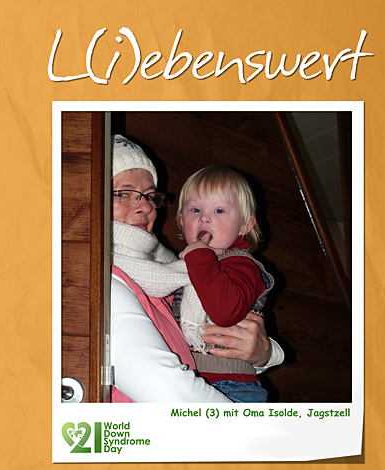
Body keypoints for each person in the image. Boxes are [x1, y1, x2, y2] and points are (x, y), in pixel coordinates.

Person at [110, 135, 284, 403]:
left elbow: (225, 320)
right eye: (123, 193)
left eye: (150, 196)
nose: (145, 206)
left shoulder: (171, 270)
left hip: (231, 388)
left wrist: (266, 353)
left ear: (245, 225)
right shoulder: (103, 278)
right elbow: (164, 387)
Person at [174, 166, 274, 403]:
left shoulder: (243, 265)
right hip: (187, 381)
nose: (204, 218)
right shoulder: (181, 268)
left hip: (232, 387)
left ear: (244, 226)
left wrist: (200, 257)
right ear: (181, 222)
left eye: (219, 210)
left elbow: (225, 312)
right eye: (195, 210)